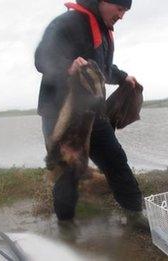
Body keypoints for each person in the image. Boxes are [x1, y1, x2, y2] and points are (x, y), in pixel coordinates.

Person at [35, 0, 147, 228]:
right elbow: (41, 58)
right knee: (68, 171)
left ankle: (135, 213)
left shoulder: (104, 30)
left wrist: (123, 76)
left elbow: (102, 70)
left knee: (115, 159)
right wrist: (68, 65)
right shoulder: (68, 22)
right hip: (61, 114)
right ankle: (66, 228)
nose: (122, 16)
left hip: (92, 113)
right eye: (120, 9)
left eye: (125, 11)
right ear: (105, 1)